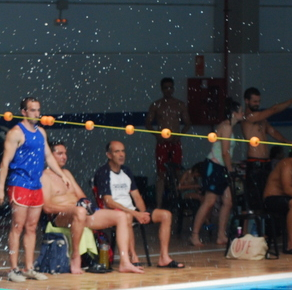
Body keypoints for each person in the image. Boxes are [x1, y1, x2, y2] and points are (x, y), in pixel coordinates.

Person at [0, 97, 68, 282]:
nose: (37, 113)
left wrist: (62, 175)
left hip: (36, 184)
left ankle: (29, 268)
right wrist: (0, 188)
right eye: (33, 110)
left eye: (38, 110)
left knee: (32, 227)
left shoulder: (41, 132)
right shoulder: (15, 133)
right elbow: (5, 162)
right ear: (24, 112)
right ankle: (13, 269)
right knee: (17, 226)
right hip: (19, 183)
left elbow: (49, 157)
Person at [41, 141, 144, 274]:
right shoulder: (44, 176)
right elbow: (47, 207)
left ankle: (125, 262)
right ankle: (76, 257)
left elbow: (82, 197)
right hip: (60, 217)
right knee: (80, 211)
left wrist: (87, 205)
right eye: (60, 153)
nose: (64, 157)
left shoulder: (66, 173)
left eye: (65, 153)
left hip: (80, 214)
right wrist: (74, 209)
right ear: (49, 156)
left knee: (121, 216)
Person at [92, 140, 184, 269]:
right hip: (114, 212)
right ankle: (133, 257)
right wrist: (135, 213)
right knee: (127, 217)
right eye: (117, 151)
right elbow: (109, 202)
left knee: (166, 215)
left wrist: (143, 213)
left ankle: (164, 257)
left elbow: (136, 196)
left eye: (123, 151)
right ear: (109, 155)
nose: (121, 154)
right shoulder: (103, 173)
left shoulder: (126, 170)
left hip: (133, 211)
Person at [240, 88, 292, 212]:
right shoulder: (248, 117)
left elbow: (273, 132)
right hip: (255, 162)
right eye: (254, 101)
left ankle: (265, 222)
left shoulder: (261, 119)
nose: (257, 104)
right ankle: (246, 224)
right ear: (246, 101)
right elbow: (273, 109)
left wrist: (288, 142)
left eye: (259, 101)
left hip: (266, 162)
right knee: (252, 198)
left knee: (267, 195)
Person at [191, 98, 242, 246]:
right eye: (240, 111)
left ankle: (221, 235)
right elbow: (225, 152)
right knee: (209, 201)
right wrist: (230, 170)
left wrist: (229, 167)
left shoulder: (229, 127)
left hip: (222, 167)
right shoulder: (226, 127)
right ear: (233, 113)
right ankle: (194, 235)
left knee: (228, 201)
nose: (243, 113)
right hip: (214, 166)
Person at [144, 77, 192, 208]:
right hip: (162, 143)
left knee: (177, 173)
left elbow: (188, 123)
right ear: (162, 89)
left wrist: (179, 135)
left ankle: (179, 203)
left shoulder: (180, 105)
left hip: (175, 143)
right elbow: (148, 123)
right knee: (161, 174)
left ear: (173, 88)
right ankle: (159, 206)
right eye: (166, 88)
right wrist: (157, 135)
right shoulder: (156, 105)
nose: (168, 90)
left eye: (170, 87)